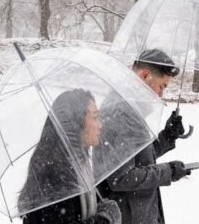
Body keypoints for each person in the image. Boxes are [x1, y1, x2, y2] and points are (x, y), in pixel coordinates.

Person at [98, 49, 193, 224]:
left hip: (139, 213)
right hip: (130, 216)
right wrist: (168, 171)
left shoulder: (131, 107)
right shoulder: (122, 111)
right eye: (162, 86)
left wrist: (167, 137)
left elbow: (136, 158)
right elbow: (121, 177)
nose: (161, 94)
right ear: (146, 75)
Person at [19, 89, 122, 224]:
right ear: (76, 121)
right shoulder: (54, 173)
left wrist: (103, 207)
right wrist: (105, 219)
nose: (100, 125)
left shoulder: (78, 162)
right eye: (95, 117)